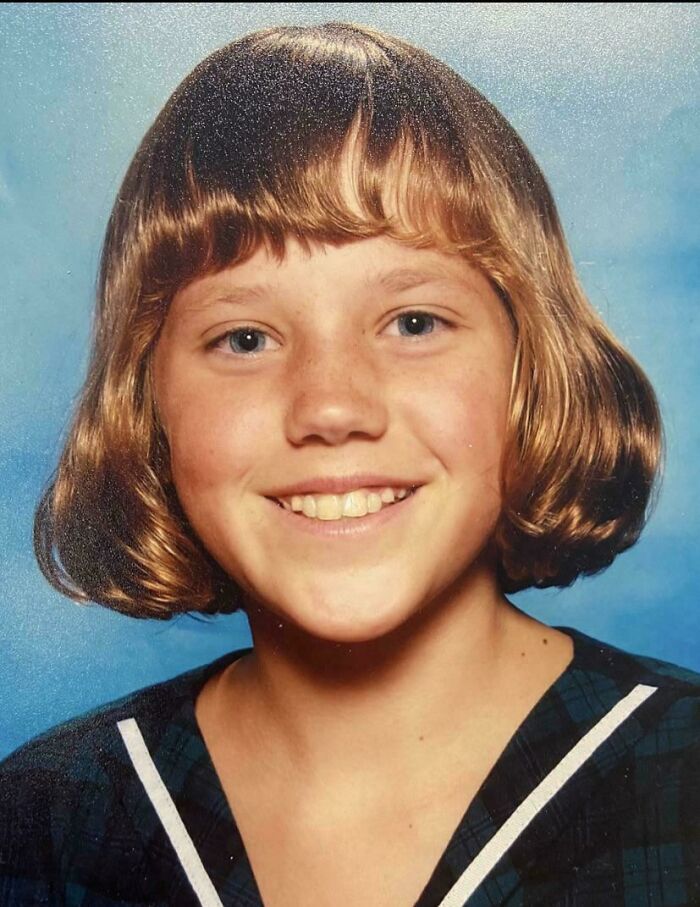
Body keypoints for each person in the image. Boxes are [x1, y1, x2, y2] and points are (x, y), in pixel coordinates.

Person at [0, 21, 697, 907]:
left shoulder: (679, 776)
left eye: (414, 323)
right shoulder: (42, 820)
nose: (331, 408)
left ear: (530, 367)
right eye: (244, 338)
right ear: (149, 401)